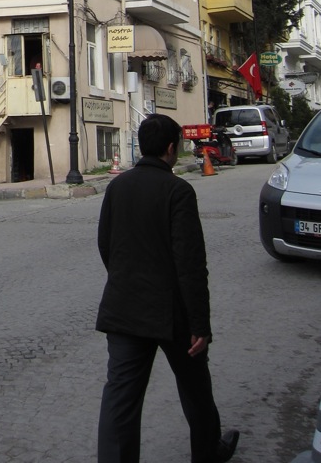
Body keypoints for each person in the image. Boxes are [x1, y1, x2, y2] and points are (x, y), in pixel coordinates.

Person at [96, 113, 239, 463]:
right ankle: (207, 453)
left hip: (124, 308)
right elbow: (190, 263)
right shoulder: (178, 191)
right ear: (171, 148)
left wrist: (126, 279)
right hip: (172, 314)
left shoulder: (117, 186)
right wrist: (200, 324)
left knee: (120, 400)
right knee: (195, 390)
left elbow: (105, 244)